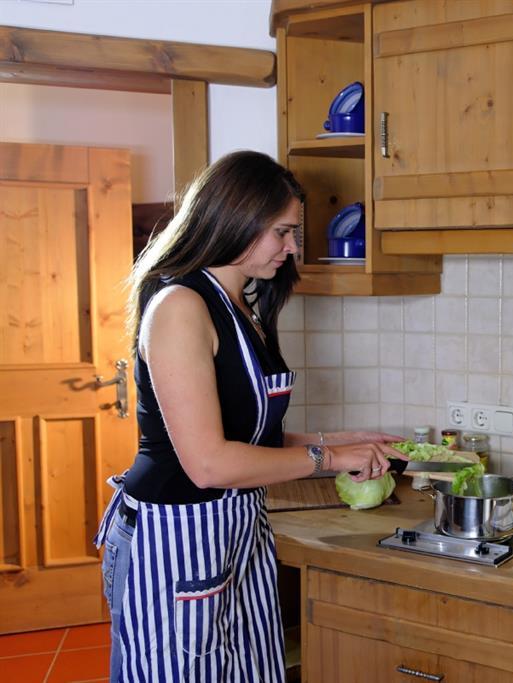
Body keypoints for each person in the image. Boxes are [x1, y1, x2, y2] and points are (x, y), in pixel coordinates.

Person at [93, 150, 406, 682]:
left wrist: (344, 440)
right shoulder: (180, 307)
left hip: (235, 531)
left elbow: (249, 433)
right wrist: (329, 458)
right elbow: (209, 464)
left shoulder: (243, 306)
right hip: (175, 538)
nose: (293, 248)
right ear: (235, 219)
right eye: (282, 232)